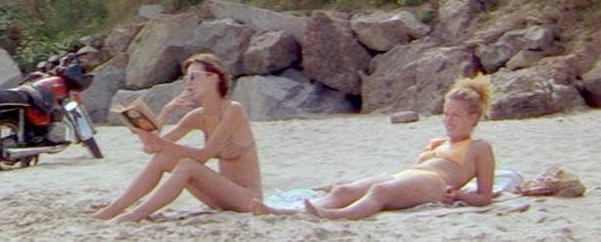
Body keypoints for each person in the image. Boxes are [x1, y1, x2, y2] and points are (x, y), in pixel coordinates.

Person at [251, 75, 496, 220]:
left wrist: (459, 195)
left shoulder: (479, 147)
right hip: (409, 176)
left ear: (473, 117)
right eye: (446, 114)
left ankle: (336, 215)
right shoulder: (437, 142)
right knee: (344, 190)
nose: (448, 120)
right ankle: (288, 212)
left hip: (437, 183)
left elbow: (485, 196)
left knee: (380, 191)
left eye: (455, 115)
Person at [92, 53, 262, 221]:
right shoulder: (197, 116)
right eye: (186, 78)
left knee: (187, 165)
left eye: (193, 77)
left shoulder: (233, 109)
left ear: (213, 78)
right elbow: (151, 148)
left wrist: (162, 143)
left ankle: (135, 215)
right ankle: (113, 210)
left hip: (246, 199)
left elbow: (205, 155)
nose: (188, 83)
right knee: (163, 157)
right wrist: (167, 109)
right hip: (219, 198)